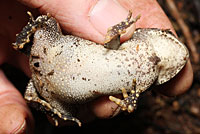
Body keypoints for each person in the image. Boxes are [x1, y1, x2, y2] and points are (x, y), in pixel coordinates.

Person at [0, 0, 193, 133]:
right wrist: (118, 27)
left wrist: (130, 100)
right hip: (50, 57)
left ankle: (40, 99)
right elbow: (111, 38)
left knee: (64, 108)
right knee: (45, 22)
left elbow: (111, 40)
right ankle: (22, 48)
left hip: (55, 87)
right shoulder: (132, 60)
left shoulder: (141, 83)